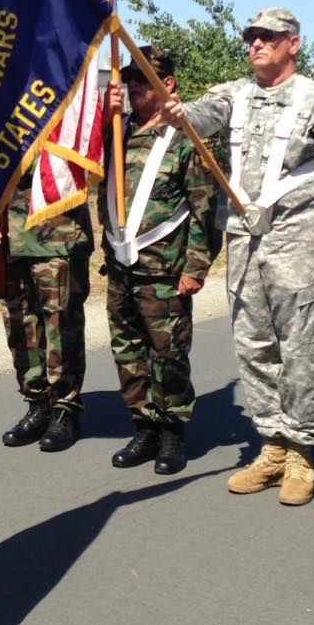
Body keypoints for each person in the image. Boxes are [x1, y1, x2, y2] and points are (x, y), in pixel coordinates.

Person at [161, 8, 314, 504]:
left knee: (300, 351)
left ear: (293, 43)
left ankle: (301, 452)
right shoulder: (234, 94)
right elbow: (200, 116)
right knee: (253, 348)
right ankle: (271, 445)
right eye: (251, 38)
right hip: (246, 244)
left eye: (268, 38)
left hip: (300, 243)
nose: (256, 45)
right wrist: (177, 113)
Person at [99, 46, 218, 475]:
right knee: (128, 351)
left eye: (142, 80)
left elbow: (206, 209)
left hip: (165, 269)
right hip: (120, 265)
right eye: (129, 80)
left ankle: (172, 431)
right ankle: (144, 425)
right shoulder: (114, 133)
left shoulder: (184, 141)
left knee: (167, 353)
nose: (133, 87)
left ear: (167, 85)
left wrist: (195, 268)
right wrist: (102, 114)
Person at [0, 170, 93, 452]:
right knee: (20, 324)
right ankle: (38, 402)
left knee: (60, 324)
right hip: (11, 229)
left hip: (58, 227)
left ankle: (65, 407)